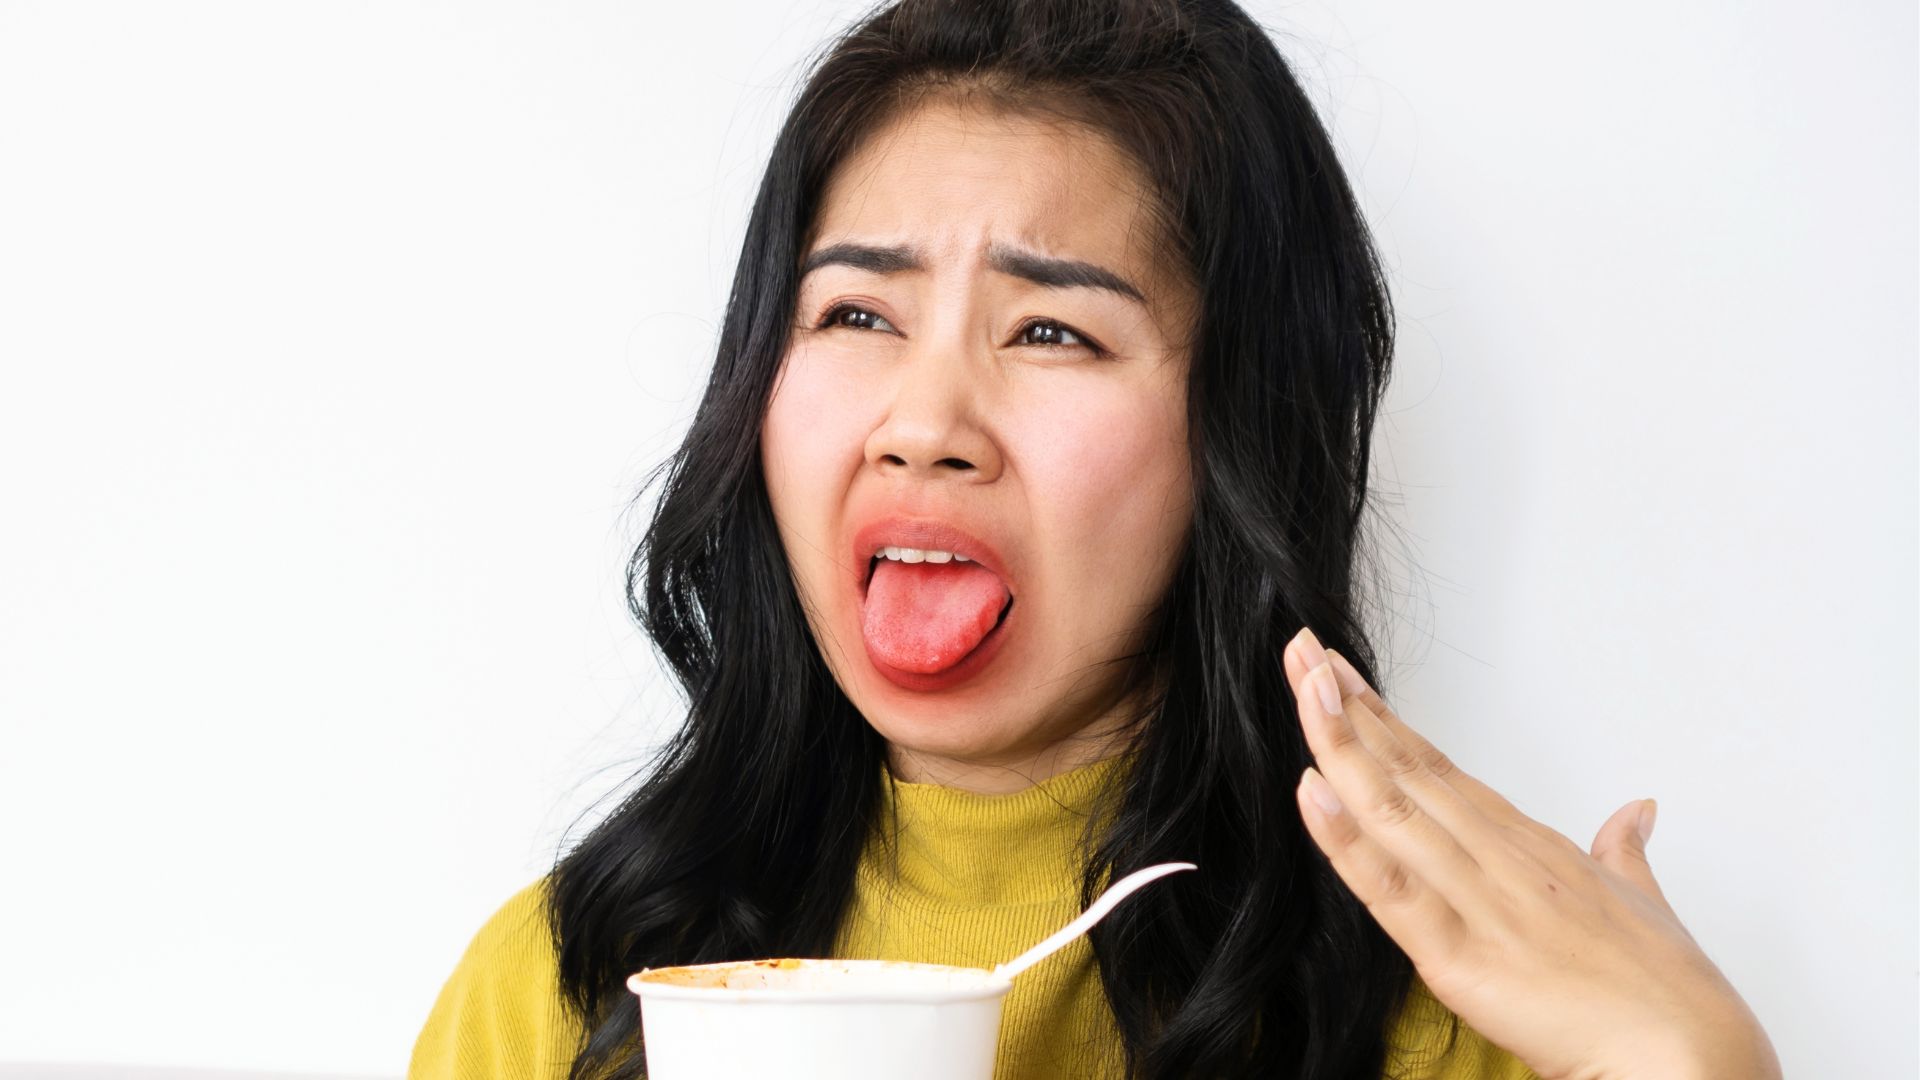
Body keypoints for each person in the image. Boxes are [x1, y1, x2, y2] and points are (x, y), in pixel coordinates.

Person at [409, 0, 1782, 1077]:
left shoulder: (1441, 1019)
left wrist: (1695, 1065)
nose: (924, 424)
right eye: (857, 314)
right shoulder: (562, 997)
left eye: (1051, 331)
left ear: (1236, 434)